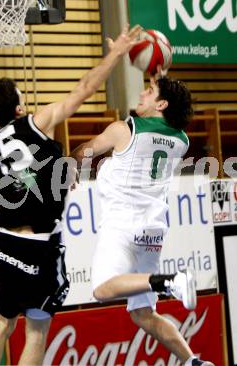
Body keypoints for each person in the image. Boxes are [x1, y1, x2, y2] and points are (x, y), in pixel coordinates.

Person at [0, 24, 143, 366]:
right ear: (19, 109)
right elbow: (85, 88)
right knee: (37, 330)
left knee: (2, 324)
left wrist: (56, 175)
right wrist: (116, 52)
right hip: (38, 246)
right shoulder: (36, 122)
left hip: (5, 243)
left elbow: (3, 195)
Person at [71, 73, 214, 366]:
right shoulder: (182, 140)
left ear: (161, 103)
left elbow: (84, 150)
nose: (142, 93)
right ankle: (193, 362)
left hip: (123, 223)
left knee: (101, 288)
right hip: (153, 230)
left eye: (149, 91)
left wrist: (74, 163)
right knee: (142, 314)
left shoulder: (124, 130)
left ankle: (168, 281)